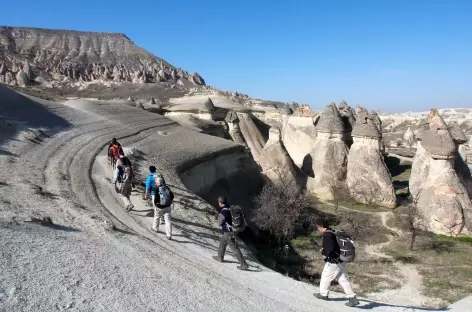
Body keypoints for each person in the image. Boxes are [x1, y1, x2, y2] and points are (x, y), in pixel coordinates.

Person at [313, 218, 359, 307]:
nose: (318, 229)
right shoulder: (332, 231)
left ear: (321, 226)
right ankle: (352, 298)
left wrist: (322, 251)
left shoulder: (327, 235)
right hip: (341, 260)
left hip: (334, 261)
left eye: (318, 227)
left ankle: (323, 294)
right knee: (342, 279)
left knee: (325, 277)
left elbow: (330, 251)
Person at [212, 196, 249, 270]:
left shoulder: (224, 211)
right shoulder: (229, 207)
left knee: (234, 249)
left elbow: (219, 223)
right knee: (222, 242)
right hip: (230, 231)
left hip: (229, 232)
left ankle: (243, 264)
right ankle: (220, 257)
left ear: (220, 202)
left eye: (219, 202)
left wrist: (219, 218)